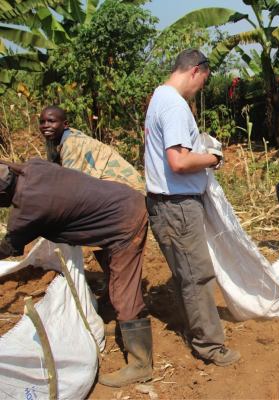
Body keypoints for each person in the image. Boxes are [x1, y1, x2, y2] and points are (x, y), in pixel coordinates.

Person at [0, 159, 151, 388]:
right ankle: (125, 327)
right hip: (121, 200)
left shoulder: (27, 211)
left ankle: (141, 365)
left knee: (123, 291)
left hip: (124, 222)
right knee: (111, 270)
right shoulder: (33, 168)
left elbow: (9, 247)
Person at [144, 48, 240, 367]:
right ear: (195, 71)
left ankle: (196, 329)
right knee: (198, 275)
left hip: (164, 203)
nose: (200, 89)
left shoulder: (158, 96)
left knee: (185, 273)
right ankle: (209, 346)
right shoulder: (173, 104)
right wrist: (215, 159)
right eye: (203, 82)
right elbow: (179, 161)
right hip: (178, 206)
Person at [39, 105, 145, 192]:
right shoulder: (51, 140)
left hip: (127, 188)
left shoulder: (74, 143)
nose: (45, 126)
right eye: (42, 122)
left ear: (65, 124)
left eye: (51, 121)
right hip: (105, 187)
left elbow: (69, 184)